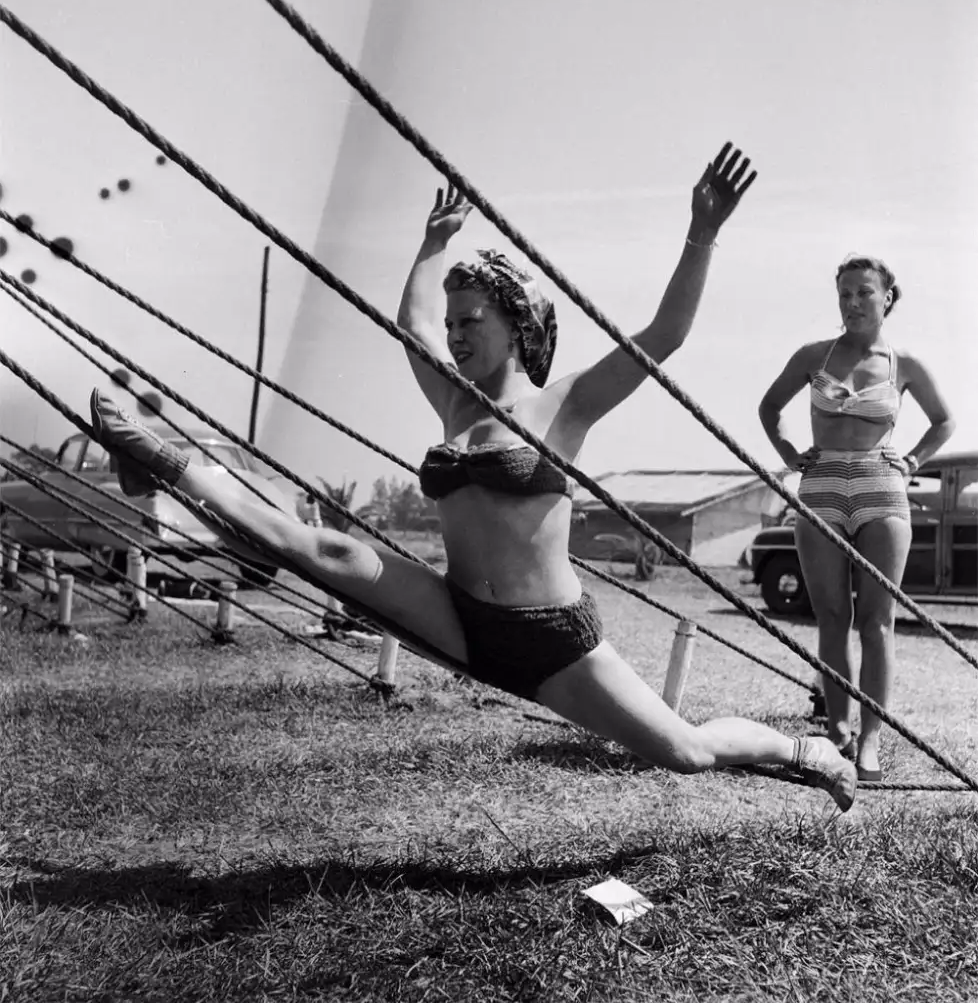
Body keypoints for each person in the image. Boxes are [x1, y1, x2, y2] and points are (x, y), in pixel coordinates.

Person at [89, 143, 858, 810]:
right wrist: (431, 247)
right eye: (454, 323)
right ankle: (163, 459)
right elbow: (412, 325)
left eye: (471, 322)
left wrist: (702, 232)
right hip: (456, 612)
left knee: (684, 751)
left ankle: (801, 752)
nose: (455, 337)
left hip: (552, 640)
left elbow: (665, 336)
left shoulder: (568, 406)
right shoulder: (453, 402)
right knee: (317, 549)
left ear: (516, 323)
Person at [758, 255, 955, 780]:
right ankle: (838, 729)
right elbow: (768, 408)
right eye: (844, 293)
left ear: (887, 297)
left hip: (882, 490)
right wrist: (788, 451)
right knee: (830, 618)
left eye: (864, 293)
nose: (852, 303)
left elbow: (945, 420)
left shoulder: (904, 363)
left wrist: (912, 459)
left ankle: (869, 740)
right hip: (820, 487)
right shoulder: (812, 355)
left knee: (876, 622)